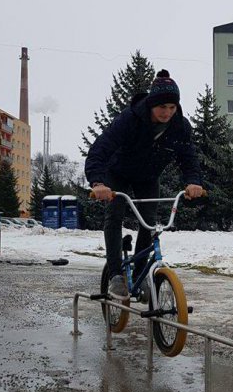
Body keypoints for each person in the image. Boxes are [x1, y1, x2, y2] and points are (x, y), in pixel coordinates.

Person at [85, 70, 204, 300]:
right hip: (117, 173)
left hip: (148, 177)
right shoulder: (130, 119)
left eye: (172, 107)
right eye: (162, 107)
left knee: (149, 222)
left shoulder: (180, 126)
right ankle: (116, 275)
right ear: (151, 104)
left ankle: (141, 275)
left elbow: (189, 158)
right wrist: (98, 182)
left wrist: (193, 182)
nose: (167, 113)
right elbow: (100, 149)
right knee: (115, 216)